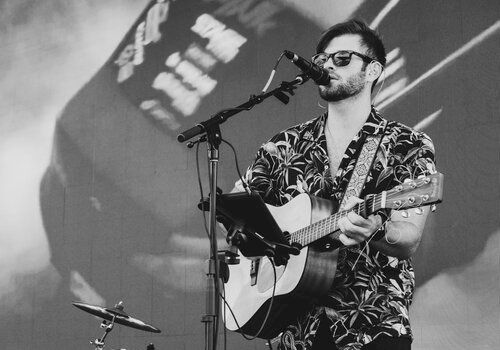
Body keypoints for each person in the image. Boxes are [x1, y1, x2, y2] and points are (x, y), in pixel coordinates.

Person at [233, 19, 436, 349]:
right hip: (295, 325)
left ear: (372, 71)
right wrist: (255, 247)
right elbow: (239, 212)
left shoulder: (406, 144)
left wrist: (376, 232)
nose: (327, 65)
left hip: (371, 321)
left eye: (342, 58)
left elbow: (408, 237)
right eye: (321, 60)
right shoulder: (282, 146)